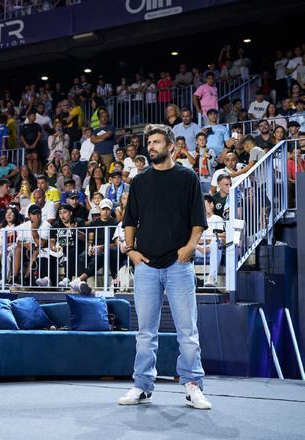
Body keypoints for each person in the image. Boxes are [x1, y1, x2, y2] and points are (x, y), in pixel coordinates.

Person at [119, 124, 211, 410]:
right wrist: (131, 251)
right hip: (145, 265)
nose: (152, 146)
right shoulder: (140, 180)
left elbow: (198, 220)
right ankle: (142, 386)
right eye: (150, 142)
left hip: (179, 264)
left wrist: (190, 246)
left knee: (187, 330)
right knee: (145, 331)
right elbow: (130, 220)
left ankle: (193, 385)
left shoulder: (187, 178)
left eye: (157, 141)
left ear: (171, 146)